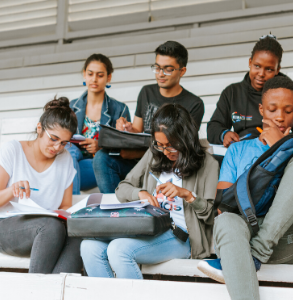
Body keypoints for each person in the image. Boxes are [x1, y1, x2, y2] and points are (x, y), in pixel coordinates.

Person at [197, 76, 293, 300]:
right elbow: (223, 206)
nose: (280, 117)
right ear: (261, 109)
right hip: (242, 240)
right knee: (226, 220)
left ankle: (259, 250)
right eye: (273, 109)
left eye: (288, 111)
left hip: (284, 241)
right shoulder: (238, 150)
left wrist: (280, 147)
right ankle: (254, 252)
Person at [80, 104, 218, 279]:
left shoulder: (208, 164)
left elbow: (210, 216)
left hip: (180, 236)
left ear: (185, 139)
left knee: (119, 250)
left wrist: (187, 195)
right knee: (89, 247)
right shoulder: (155, 155)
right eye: (160, 145)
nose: (165, 151)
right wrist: (141, 194)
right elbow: (122, 188)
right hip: (146, 228)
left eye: (171, 145)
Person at [0, 97, 83, 274]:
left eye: (64, 143)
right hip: (5, 228)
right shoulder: (12, 150)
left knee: (78, 236)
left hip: (49, 230)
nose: (57, 147)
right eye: (53, 138)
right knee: (50, 228)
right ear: (39, 128)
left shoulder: (65, 158)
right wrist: (11, 190)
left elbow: (65, 206)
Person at [94, 41, 205, 193]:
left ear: (182, 71)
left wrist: (135, 153)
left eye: (168, 69)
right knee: (102, 158)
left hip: (166, 163)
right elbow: (137, 130)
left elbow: (182, 148)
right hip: (138, 160)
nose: (160, 74)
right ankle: (116, 210)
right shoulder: (146, 92)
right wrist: (127, 128)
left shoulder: (194, 104)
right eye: (157, 67)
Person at [207, 35, 293, 147]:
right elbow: (213, 127)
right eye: (257, 66)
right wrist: (224, 134)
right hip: (242, 150)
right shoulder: (232, 92)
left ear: (277, 69)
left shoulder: (289, 94)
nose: (261, 73)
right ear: (250, 62)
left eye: (269, 69)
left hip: (277, 149)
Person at [68, 54, 131, 194]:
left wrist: (100, 147)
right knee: (70, 151)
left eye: (100, 75)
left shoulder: (120, 109)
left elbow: (126, 150)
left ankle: (71, 207)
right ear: (84, 74)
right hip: (73, 161)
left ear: (108, 77)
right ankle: (72, 206)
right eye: (90, 74)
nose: (94, 79)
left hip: (97, 165)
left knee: (74, 165)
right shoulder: (71, 107)